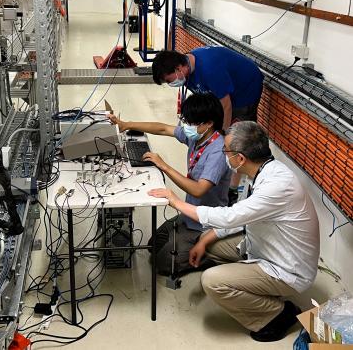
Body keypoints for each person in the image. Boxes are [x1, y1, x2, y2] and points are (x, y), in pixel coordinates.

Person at [148, 121, 320, 342]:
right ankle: (246, 280)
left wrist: (175, 202)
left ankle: (277, 315)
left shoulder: (276, 186)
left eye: (226, 151)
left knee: (212, 281)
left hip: (288, 268)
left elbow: (229, 216)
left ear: (240, 158)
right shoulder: (263, 171)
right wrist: (205, 238)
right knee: (206, 240)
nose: (223, 154)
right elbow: (242, 216)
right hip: (264, 244)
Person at [108, 92, 230, 275]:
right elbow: (163, 128)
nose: (186, 126)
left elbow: (198, 190)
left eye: (191, 122)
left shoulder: (217, 152)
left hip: (206, 221)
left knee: (163, 264)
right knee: (152, 246)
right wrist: (125, 124)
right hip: (189, 213)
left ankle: (213, 255)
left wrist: (164, 166)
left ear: (209, 123)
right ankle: (187, 243)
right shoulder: (199, 136)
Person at [151, 46, 264, 202]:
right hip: (225, 89)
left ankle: (233, 189)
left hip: (245, 90)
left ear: (178, 69)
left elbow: (226, 105)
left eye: (169, 80)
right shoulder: (188, 70)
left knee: (238, 140)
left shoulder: (210, 69)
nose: (171, 83)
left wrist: (221, 137)